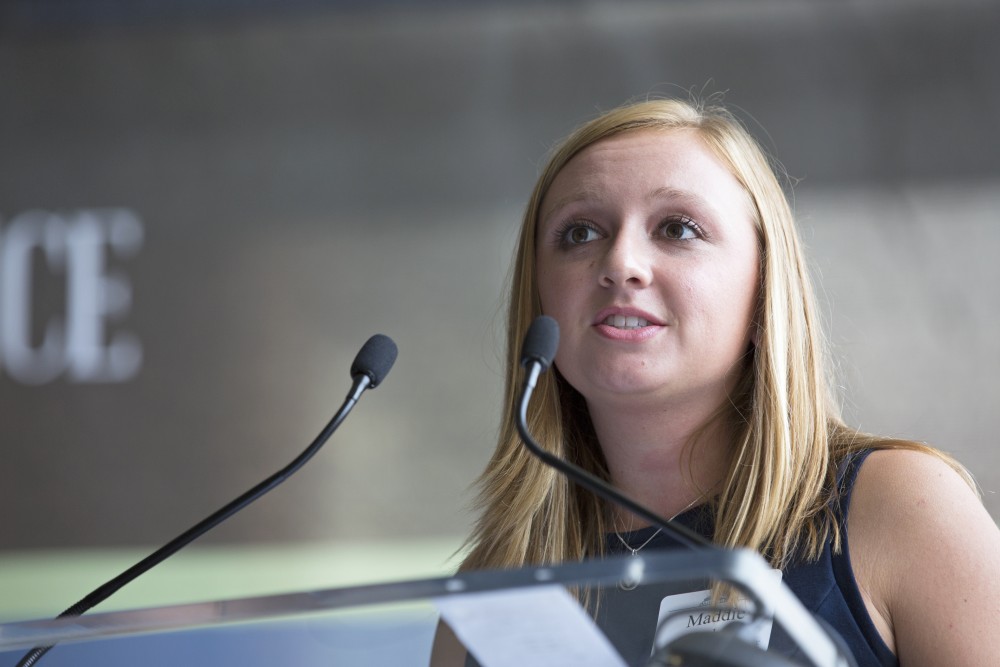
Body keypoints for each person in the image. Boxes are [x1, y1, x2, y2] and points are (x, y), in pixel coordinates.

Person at [431, 98, 1000, 666]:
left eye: (677, 228)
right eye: (580, 232)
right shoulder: (495, 580)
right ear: (539, 302)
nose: (621, 262)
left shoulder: (896, 505)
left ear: (763, 295)